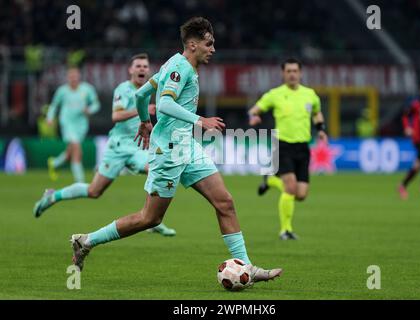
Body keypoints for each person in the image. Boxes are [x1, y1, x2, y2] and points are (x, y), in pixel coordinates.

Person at [69, 17, 282, 285]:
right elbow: (166, 103)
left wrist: (146, 122)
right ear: (192, 44)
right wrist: (199, 120)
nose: (213, 49)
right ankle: (86, 241)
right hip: (169, 150)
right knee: (150, 217)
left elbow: (142, 95)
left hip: (186, 146)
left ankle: (247, 268)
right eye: (209, 43)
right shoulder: (179, 68)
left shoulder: (176, 64)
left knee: (225, 202)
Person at [33, 54, 176, 236]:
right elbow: (116, 116)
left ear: (149, 71)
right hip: (117, 147)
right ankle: (52, 196)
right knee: (94, 191)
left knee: (155, 169)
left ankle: (149, 219)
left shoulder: (149, 90)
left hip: (137, 147)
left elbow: (96, 105)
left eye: (145, 66)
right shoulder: (123, 89)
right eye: (138, 66)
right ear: (130, 70)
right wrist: (142, 111)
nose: (142, 69)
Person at [248, 58, 328, 240]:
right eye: (288, 71)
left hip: (303, 147)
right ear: (283, 74)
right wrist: (253, 117)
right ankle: (285, 230)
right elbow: (254, 110)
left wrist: (321, 130)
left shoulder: (310, 94)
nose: (292, 74)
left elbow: (317, 112)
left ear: (300, 73)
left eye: (295, 71)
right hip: (282, 146)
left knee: (301, 194)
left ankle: (269, 180)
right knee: (290, 188)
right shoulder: (274, 94)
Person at [46, 67, 100, 182]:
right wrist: (50, 117)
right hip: (67, 122)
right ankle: (80, 181)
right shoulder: (62, 91)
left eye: (75, 76)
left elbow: (96, 104)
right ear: (67, 78)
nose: (73, 79)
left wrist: (89, 110)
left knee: (71, 150)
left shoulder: (87, 89)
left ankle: (54, 163)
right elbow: (54, 105)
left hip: (81, 124)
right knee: (76, 148)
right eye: (71, 77)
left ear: (79, 77)